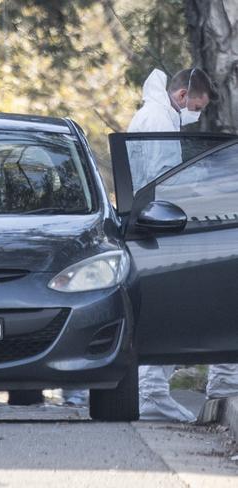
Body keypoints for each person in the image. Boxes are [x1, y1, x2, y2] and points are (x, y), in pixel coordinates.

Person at [128, 67, 238, 422]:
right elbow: (166, 179)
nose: (197, 113)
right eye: (197, 106)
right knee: (177, 303)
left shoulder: (156, 114)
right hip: (164, 224)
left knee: (173, 303)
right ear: (181, 97)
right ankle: (155, 393)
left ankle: (159, 391)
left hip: (155, 222)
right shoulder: (160, 119)